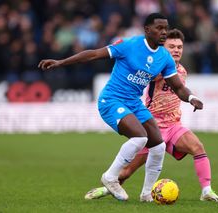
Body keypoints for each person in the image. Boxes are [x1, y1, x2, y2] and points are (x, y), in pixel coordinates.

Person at [38, 13, 203, 202]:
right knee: (140, 137)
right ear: (147, 30)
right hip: (112, 100)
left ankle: (146, 194)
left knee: (158, 146)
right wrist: (61, 62)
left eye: (165, 28)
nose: (164, 32)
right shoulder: (129, 45)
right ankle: (110, 177)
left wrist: (191, 98)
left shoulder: (164, 57)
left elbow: (178, 87)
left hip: (133, 103)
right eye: (159, 28)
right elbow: (93, 54)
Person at [84, 29, 218, 202]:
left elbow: (180, 90)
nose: (176, 50)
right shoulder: (157, 67)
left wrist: (191, 98)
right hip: (152, 125)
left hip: (173, 125)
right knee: (127, 172)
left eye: (179, 47)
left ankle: (206, 191)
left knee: (198, 147)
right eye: (171, 46)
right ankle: (105, 189)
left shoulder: (181, 71)